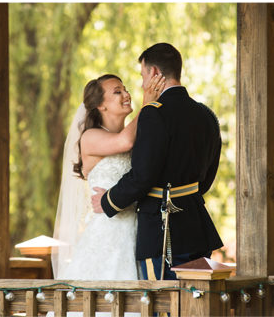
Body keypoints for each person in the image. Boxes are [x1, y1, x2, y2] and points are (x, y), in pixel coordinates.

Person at [90, 44, 222, 281]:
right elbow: (209, 173)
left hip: (163, 233)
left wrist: (108, 201)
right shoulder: (206, 114)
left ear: (153, 73)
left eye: (142, 76)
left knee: (165, 307)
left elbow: (142, 176)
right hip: (198, 225)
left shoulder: (154, 113)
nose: (141, 85)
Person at [52, 73, 145, 279]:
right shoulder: (90, 137)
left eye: (125, 88)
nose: (127, 94)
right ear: (101, 105)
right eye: (117, 91)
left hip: (137, 233)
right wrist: (148, 103)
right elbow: (124, 142)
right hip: (107, 236)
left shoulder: (136, 137)